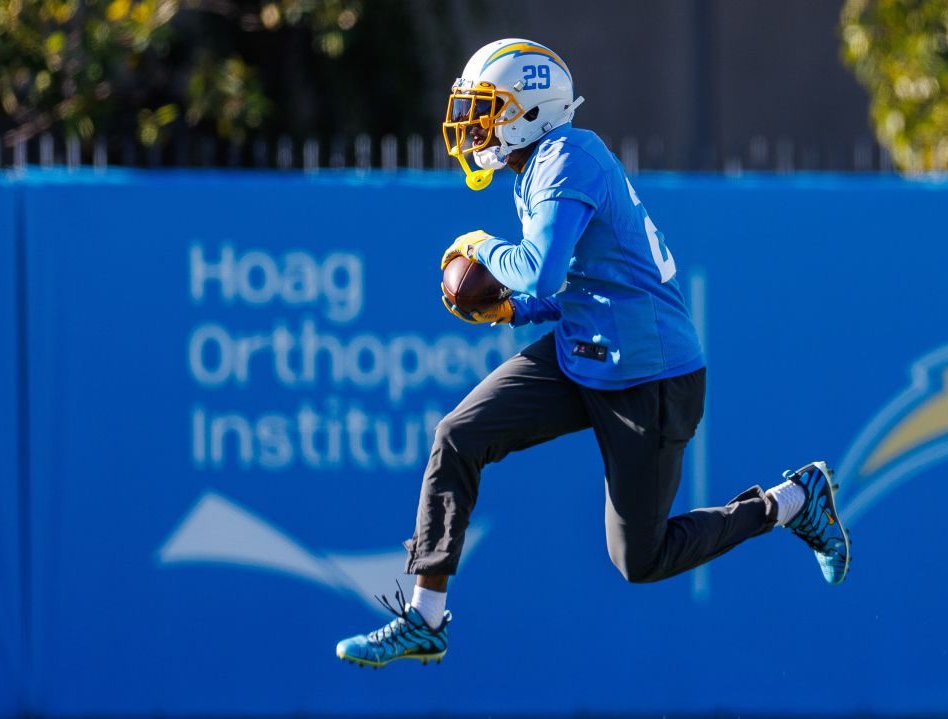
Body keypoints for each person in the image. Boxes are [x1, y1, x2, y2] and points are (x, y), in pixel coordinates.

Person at [335, 38, 851, 669]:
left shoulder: (569, 156)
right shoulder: (540, 165)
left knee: (641, 559)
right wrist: (513, 309)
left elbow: (543, 270)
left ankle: (792, 501)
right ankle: (427, 615)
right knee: (457, 436)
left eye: (487, 108)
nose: (474, 125)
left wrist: (483, 247)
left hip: (649, 374)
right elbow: (578, 284)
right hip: (583, 352)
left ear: (532, 109)